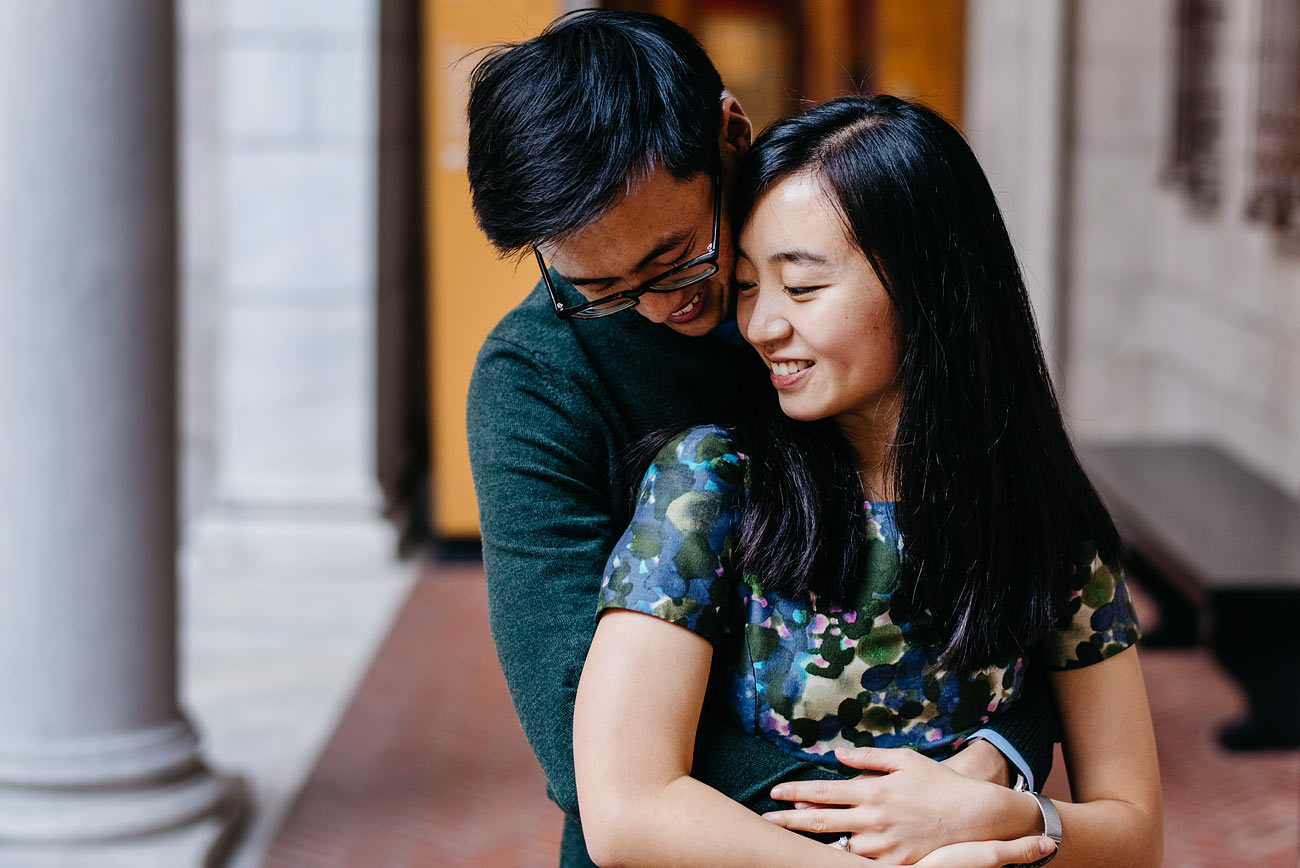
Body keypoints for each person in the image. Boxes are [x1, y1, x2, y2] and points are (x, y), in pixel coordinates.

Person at [466, 11, 1061, 867]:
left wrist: (989, 763)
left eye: (677, 259)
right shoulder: (532, 382)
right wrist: (880, 825)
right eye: (597, 287)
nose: (660, 306)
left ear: (731, 133)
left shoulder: (844, 292)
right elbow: (578, 742)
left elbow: (1018, 594)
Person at [573, 94, 1163, 867]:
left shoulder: (1036, 505)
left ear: (927, 284)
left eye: (803, 286)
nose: (759, 325)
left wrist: (1004, 817)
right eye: (749, 285)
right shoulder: (712, 483)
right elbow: (625, 813)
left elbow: (1137, 829)